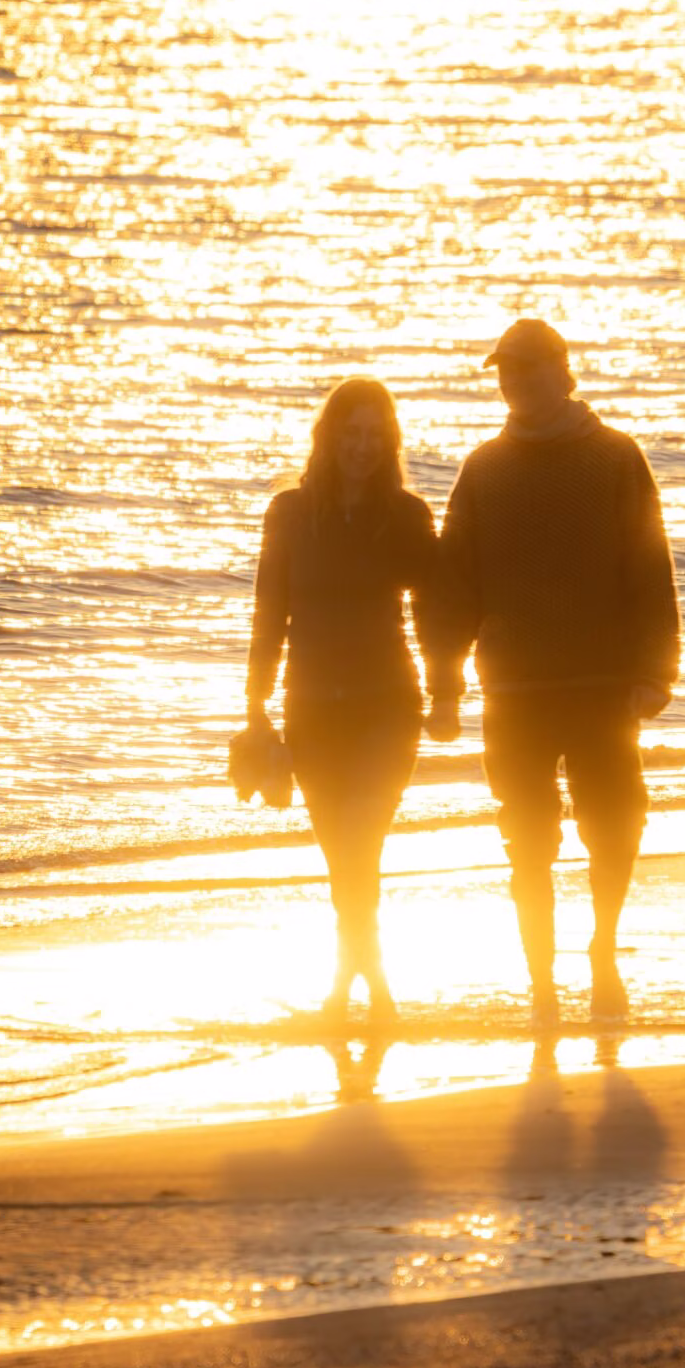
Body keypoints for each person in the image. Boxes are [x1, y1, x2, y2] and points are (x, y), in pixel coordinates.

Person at [428, 320, 680, 1029]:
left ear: (561, 372)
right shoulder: (483, 469)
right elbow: (454, 587)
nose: (513, 383)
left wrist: (657, 672)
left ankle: (601, 949)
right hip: (513, 691)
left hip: (603, 686)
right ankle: (541, 986)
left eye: (526, 370)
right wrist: (444, 685)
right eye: (504, 372)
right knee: (528, 839)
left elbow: (650, 570)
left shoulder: (614, 457)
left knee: (617, 821)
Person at [246, 378, 445, 1027]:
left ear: (389, 443)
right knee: (343, 852)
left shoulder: (407, 518)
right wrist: (257, 703)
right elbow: (269, 611)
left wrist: (448, 688)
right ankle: (364, 985)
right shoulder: (291, 514)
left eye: (374, 436)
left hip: (388, 704)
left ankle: (361, 991)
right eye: (350, 434)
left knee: (362, 841)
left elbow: (439, 610)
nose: (361, 448)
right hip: (313, 709)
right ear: (329, 438)